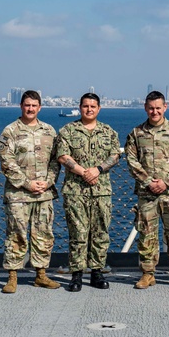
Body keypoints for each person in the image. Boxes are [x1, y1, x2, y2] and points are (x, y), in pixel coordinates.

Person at [55, 93, 121, 292]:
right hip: (76, 191)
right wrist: (83, 172)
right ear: (80, 107)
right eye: (85, 106)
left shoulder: (108, 132)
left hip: (101, 191)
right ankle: (76, 274)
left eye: (93, 106)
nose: (89, 109)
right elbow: (62, 155)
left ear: (99, 108)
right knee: (78, 233)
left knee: (100, 233)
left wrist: (98, 170)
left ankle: (97, 272)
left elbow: (115, 155)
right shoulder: (68, 130)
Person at [125, 90, 169, 289]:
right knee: (146, 234)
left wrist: (166, 182)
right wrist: (148, 182)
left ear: (165, 107)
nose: (155, 112)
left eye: (158, 108)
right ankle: (147, 273)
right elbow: (131, 160)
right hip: (147, 194)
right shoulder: (136, 133)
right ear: (146, 108)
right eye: (151, 108)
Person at [0, 90, 61, 293]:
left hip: (43, 193)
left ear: (39, 107)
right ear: (21, 106)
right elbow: (7, 162)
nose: (30, 109)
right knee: (16, 234)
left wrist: (48, 182)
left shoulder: (49, 131)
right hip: (18, 195)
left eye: (34, 105)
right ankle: (12, 276)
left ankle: (41, 275)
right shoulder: (10, 131)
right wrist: (27, 184)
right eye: (27, 105)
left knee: (43, 234)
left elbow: (56, 161)